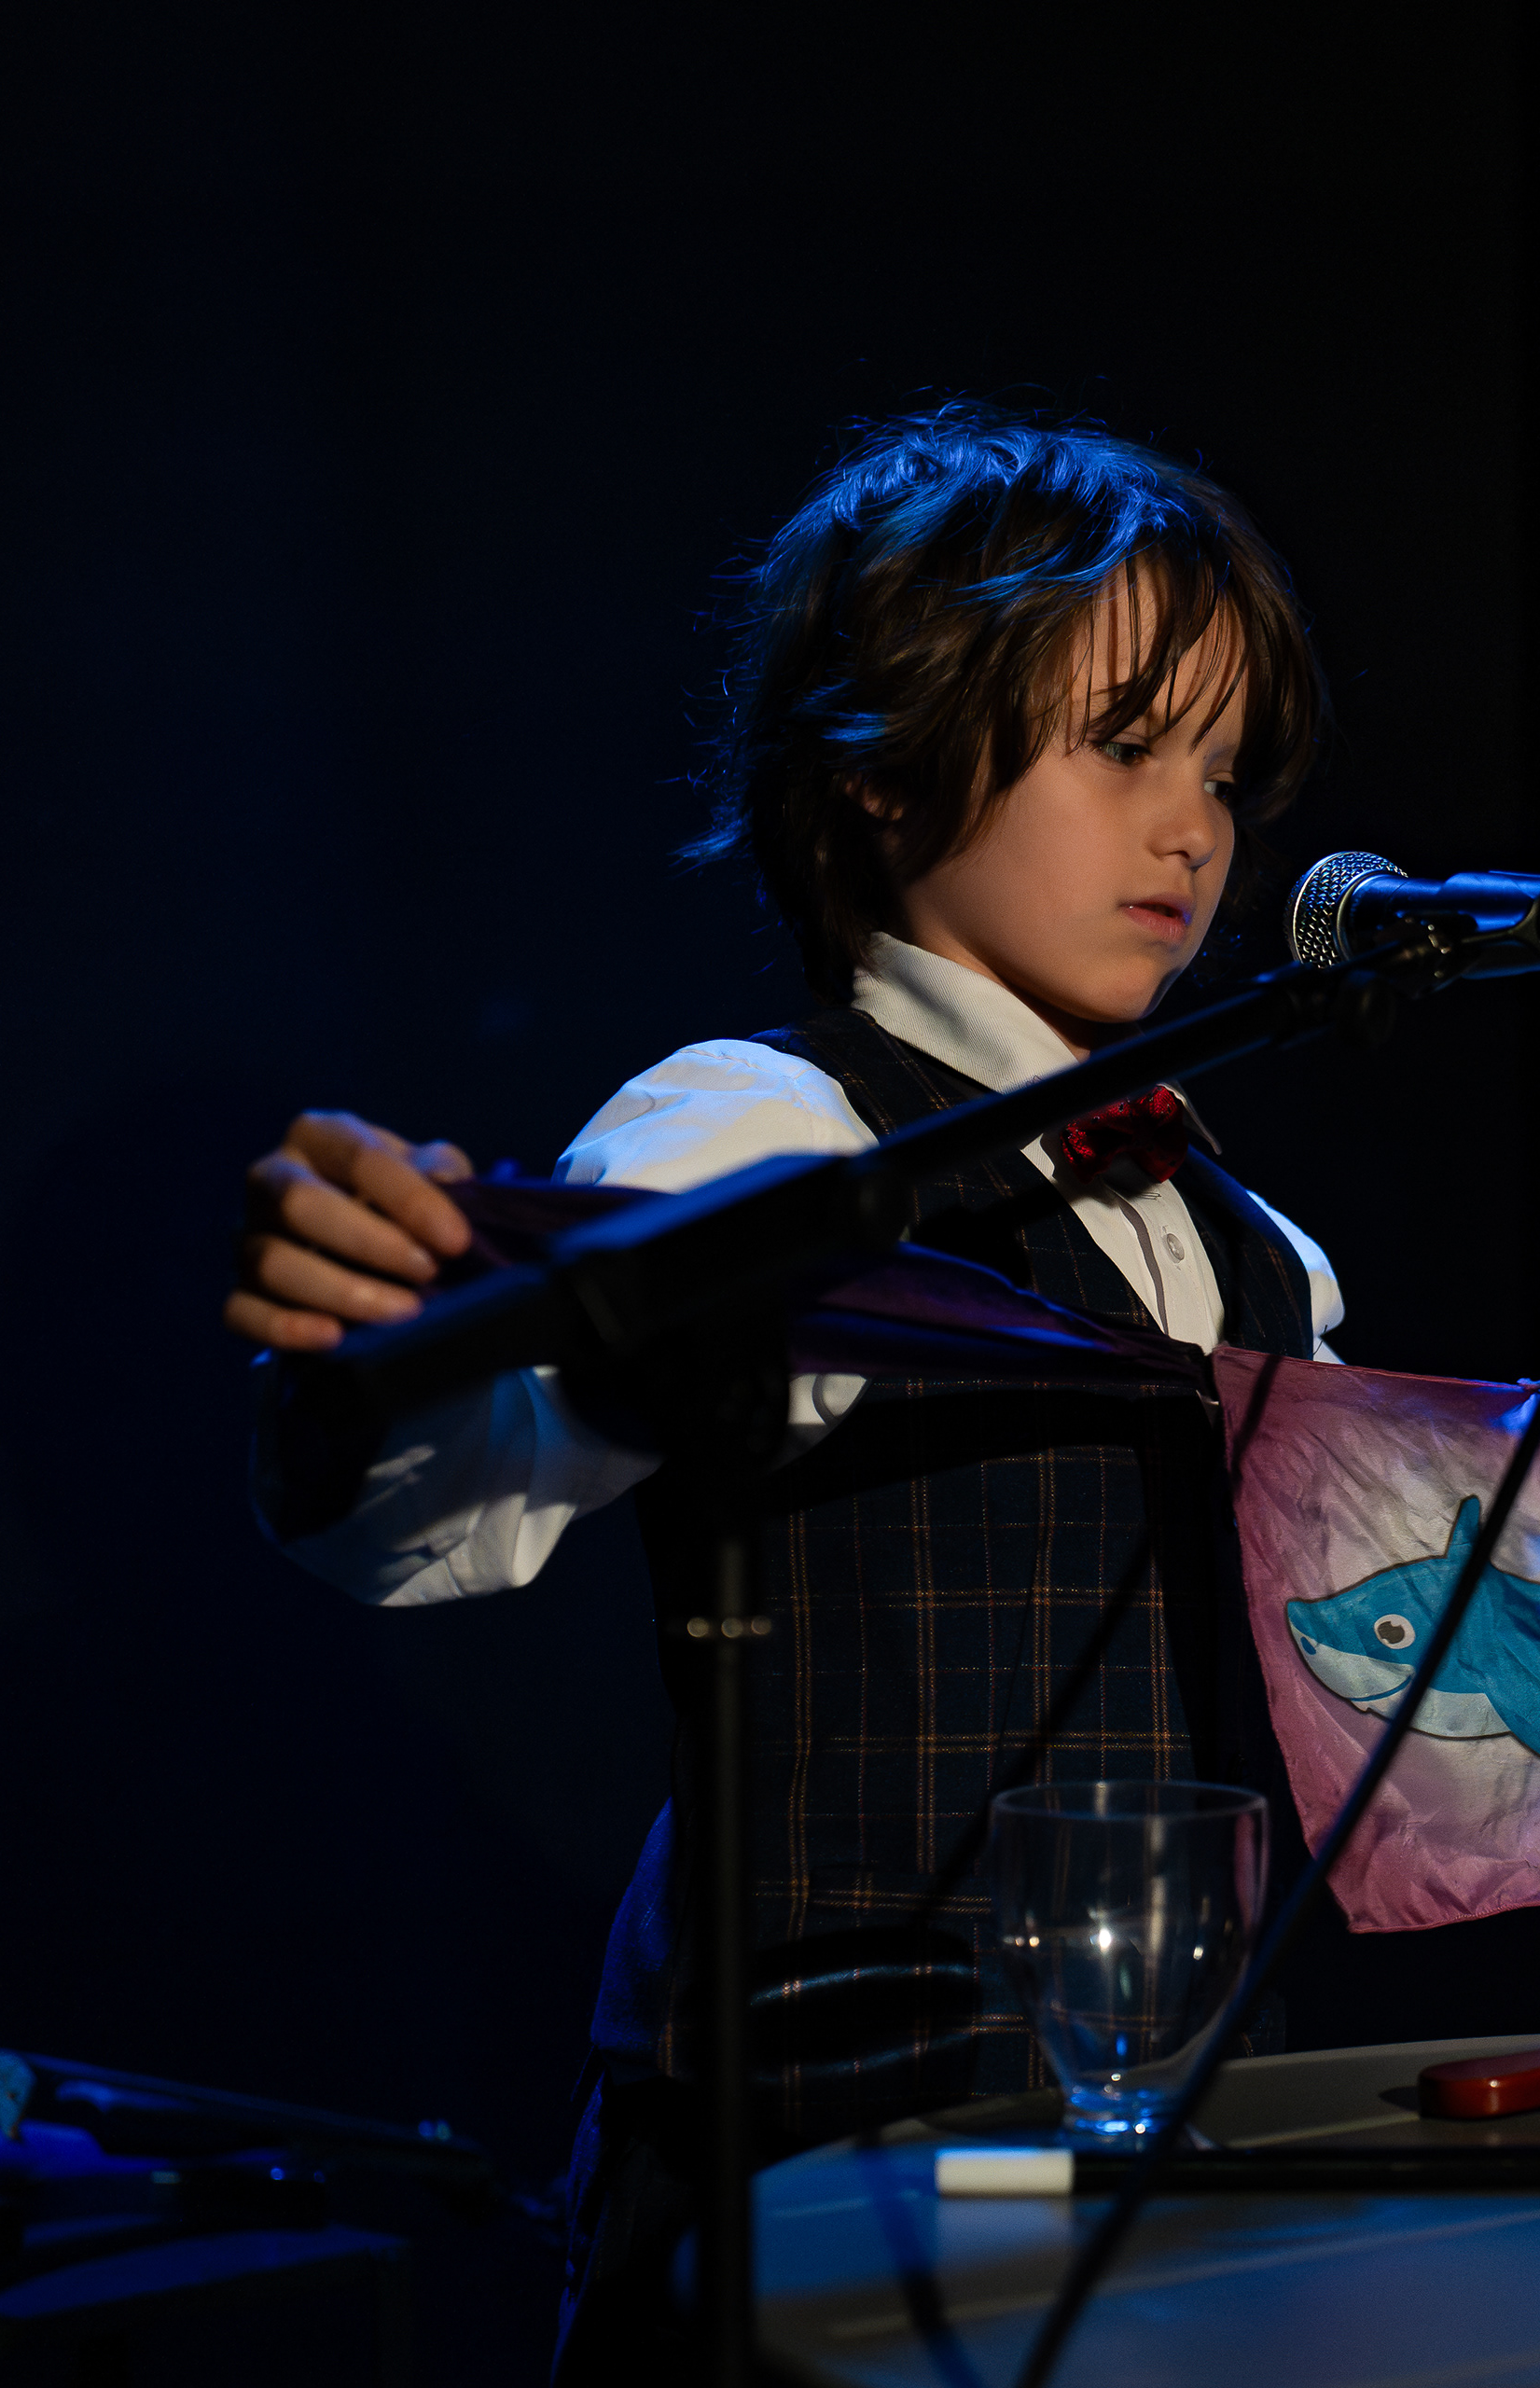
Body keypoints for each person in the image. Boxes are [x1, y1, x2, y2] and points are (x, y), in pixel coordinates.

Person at [225, 405, 1342, 2379]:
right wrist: (378, 1356)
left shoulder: (1256, 1247)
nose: (1195, 829)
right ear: (884, 770)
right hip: (828, 2166)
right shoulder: (765, 1128)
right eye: (1124, 746)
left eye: (1225, 773)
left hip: (1175, 2149)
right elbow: (475, 1481)